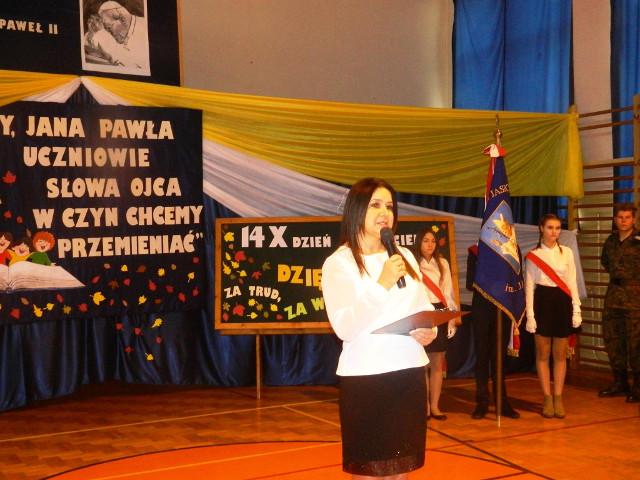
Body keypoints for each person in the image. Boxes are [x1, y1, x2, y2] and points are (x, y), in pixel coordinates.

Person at [321, 178, 437, 479]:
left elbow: (422, 308)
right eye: (375, 205)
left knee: (401, 471)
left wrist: (429, 331)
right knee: (370, 471)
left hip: (409, 373)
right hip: (367, 379)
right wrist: (382, 283)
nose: (385, 212)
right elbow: (345, 327)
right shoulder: (339, 263)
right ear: (356, 209)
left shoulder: (405, 256)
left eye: (389, 206)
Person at [525, 214, 582, 418]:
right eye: (550, 227)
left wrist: (576, 308)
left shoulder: (567, 252)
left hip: (562, 303)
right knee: (543, 353)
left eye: (558, 228)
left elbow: (572, 281)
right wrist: (530, 315)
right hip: (542, 303)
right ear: (541, 228)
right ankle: (547, 398)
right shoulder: (534, 255)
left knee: (560, 354)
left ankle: (558, 397)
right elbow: (529, 287)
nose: (554, 232)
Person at [466, 245, 520, 419]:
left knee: (499, 357)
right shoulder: (476, 250)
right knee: (482, 356)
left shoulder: (511, 248)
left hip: (502, 308)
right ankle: (482, 401)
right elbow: (469, 282)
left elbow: (516, 279)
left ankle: (502, 401)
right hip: (482, 307)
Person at [413, 228, 458, 420]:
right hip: (421, 312)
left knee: (437, 362)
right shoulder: (412, 264)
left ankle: (435, 406)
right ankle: (424, 407)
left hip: (440, 311)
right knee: (422, 363)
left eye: (432, 241)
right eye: (425, 240)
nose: (430, 244)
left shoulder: (443, 263)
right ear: (419, 243)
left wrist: (451, 320)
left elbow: (448, 293)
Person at [599, 203, 640, 403]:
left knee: (636, 344)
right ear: (615, 219)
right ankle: (620, 383)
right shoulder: (611, 241)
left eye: (627, 217)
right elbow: (606, 263)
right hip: (614, 296)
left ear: (634, 219)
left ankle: (638, 387)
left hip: (635, 299)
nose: (623, 221)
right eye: (620, 217)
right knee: (614, 340)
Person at [97, 1, 150, 72]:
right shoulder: (121, 32)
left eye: (109, 28)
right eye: (106, 29)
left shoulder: (145, 28)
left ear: (122, 19)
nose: (109, 33)